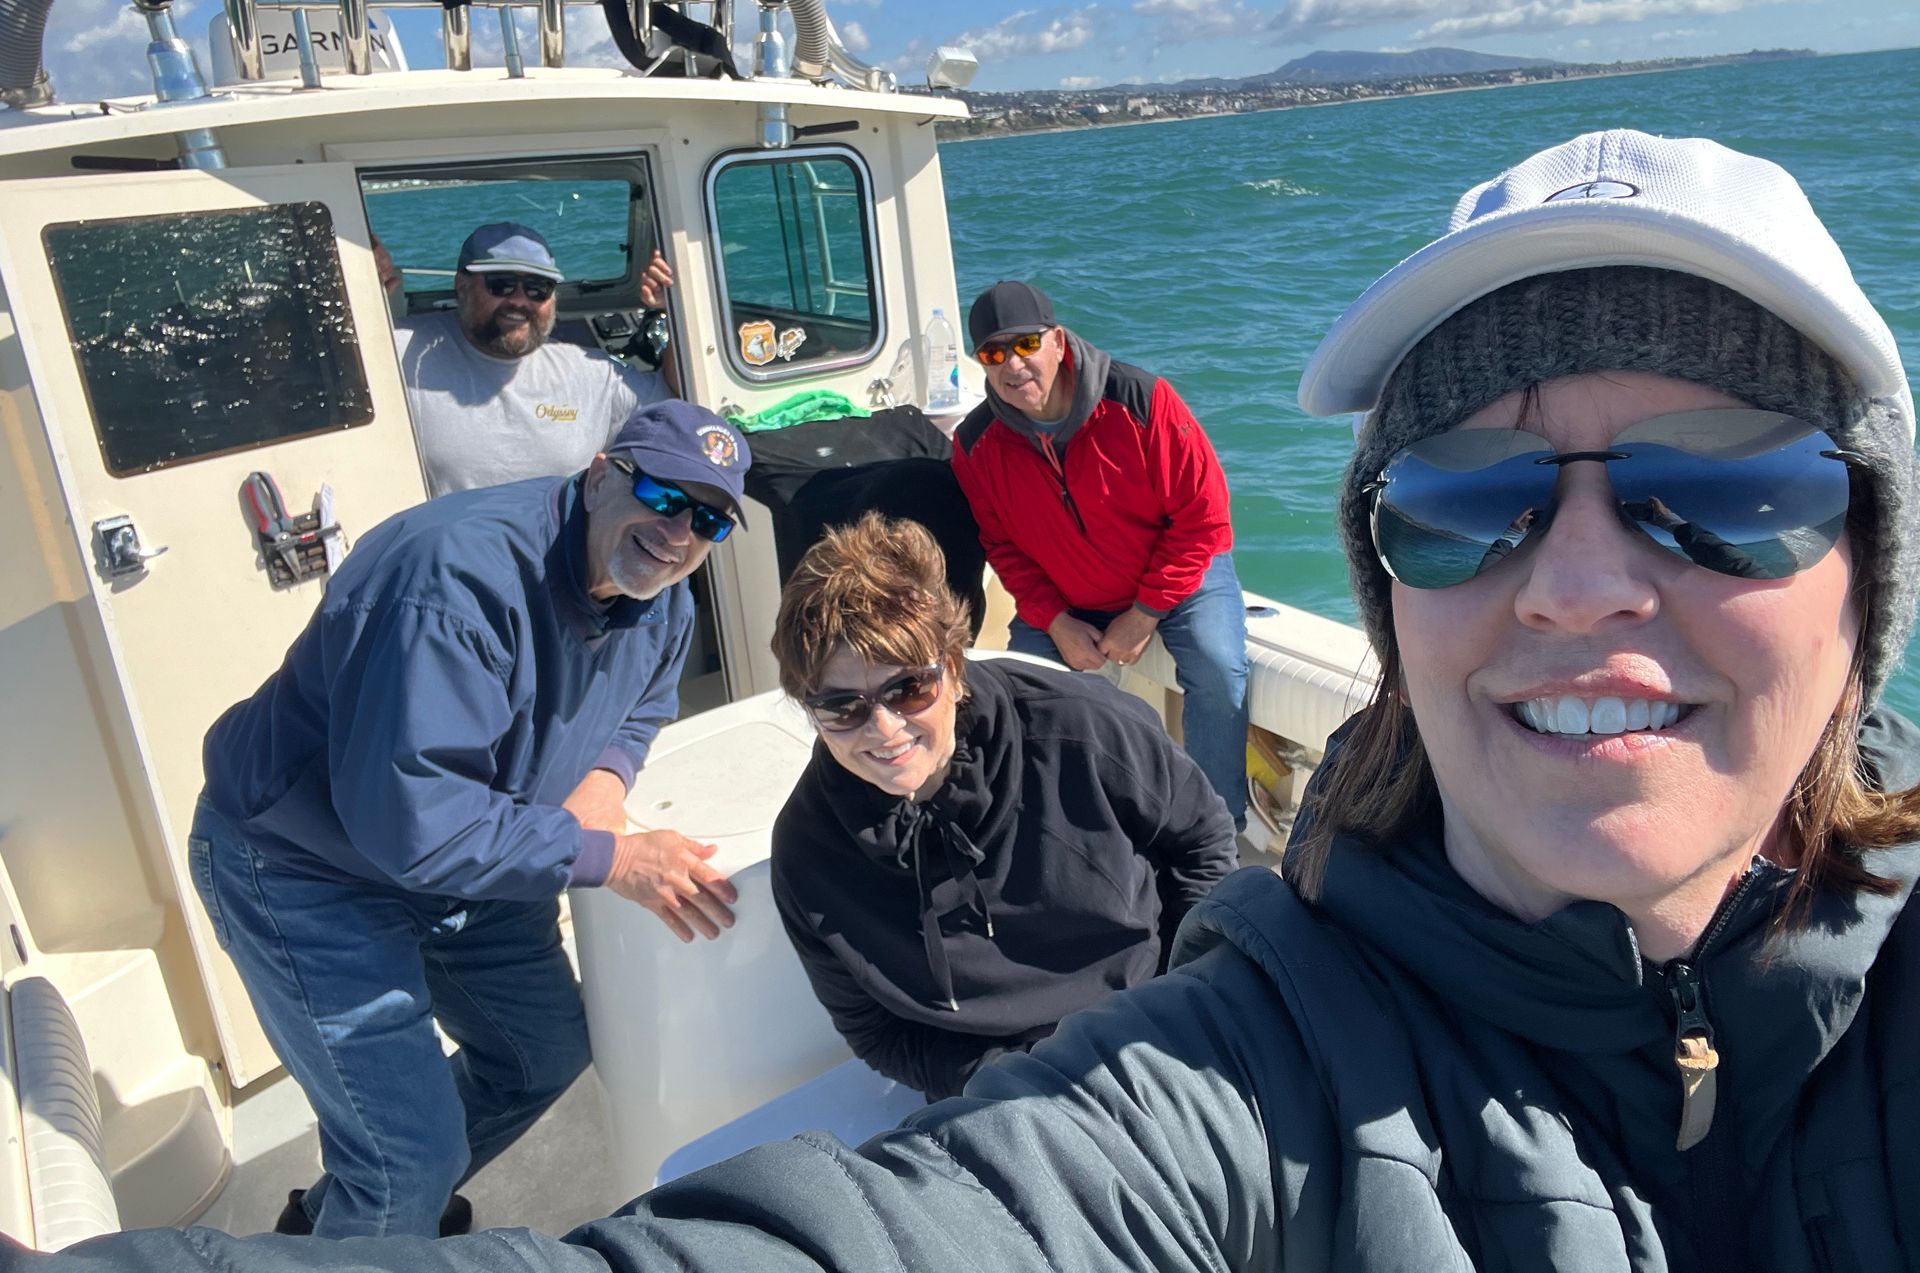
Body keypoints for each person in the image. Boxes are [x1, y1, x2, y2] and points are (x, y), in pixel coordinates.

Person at [19, 130, 1920, 1271]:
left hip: (1120, 625)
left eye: (1727, 490)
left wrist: (1115, 634)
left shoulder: (1076, 697)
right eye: (1465, 503)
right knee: (425, 1146)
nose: (1581, 582)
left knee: (1210, 678)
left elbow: (1192, 734)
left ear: (1871, 567)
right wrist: (617, 852)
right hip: (308, 862)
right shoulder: (1262, 1037)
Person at [179, 401, 751, 1240]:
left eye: (709, 521)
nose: (679, 533)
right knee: (406, 1160)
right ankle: (388, 1204)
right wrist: (614, 857)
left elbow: (647, 698)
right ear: (601, 474)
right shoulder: (453, 583)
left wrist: (604, 778)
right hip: (305, 865)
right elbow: (415, 823)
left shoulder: (664, 598)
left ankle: (353, 1225)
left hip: (476, 856)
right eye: (665, 497)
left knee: (542, 1055)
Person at [769, 513, 1238, 1100]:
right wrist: (1001, 1081)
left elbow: (1203, 841)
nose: (883, 728)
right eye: (842, 707)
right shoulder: (806, 850)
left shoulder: (1081, 726)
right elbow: (875, 1030)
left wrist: (1179, 997)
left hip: (1149, 1026)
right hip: (992, 1090)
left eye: (908, 689)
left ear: (953, 670)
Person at [950, 281, 1250, 829]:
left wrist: (1145, 613)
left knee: (1217, 670)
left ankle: (1217, 825)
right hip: (1068, 596)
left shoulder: (1141, 400)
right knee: (1022, 694)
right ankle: (1067, 830)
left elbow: (1203, 518)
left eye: (1026, 344)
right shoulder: (975, 444)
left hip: (1179, 576)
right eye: (993, 354)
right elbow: (1002, 546)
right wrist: (1053, 620)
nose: (1012, 365)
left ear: (1058, 342)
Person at [393, 221, 680, 496]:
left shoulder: (593, 375)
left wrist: (676, 308)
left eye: (537, 288)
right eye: (501, 284)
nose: (519, 300)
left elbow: (675, 401)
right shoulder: (398, 351)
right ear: (462, 285)